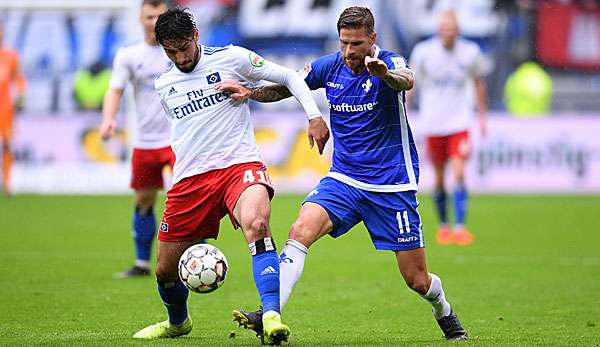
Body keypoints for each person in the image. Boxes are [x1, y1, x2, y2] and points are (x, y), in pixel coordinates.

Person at [219, 6, 468, 342]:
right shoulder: (331, 65)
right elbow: (289, 85)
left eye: (357, 44)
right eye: (344, 44)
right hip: (344, 180)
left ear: (373, 39)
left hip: (391, 185)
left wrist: (382, 75)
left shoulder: (389, 62)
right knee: (299, 230)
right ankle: (271, 313)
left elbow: (406, 79)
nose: (350, 52)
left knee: (417, 280)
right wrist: (252, 94)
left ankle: (444, 310)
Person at [131, 8, 330, 344]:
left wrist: (313, 115)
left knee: (257, 225)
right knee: (165, 270)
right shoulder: (164, 83)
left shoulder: (232, 58)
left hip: (239, 166)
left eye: (183, 47)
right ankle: (177, 322)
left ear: (196, 36)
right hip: (190, 180)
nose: (180, 57)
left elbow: (290, 77)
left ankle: (270, 316)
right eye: (170, 51)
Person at [100, 0, 174, 277]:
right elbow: (115, 90)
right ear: (140, 19)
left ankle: (194, 256)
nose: (155, 21)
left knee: (189, 198)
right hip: (144, 141)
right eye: (149, 16)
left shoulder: (179, 51)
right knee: (144, 199)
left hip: (179, 140)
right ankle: (143, 262)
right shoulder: (129, 55)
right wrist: (108, 119)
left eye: (160, 16)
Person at [407, 10, 488, 246]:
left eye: (452, 28)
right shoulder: (423, 52)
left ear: (458, 30)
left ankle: (461, 227)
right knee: (440, 179)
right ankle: (444, 226)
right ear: (439, 30)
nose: (448, 32)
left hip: (459, 122)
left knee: (460, 173)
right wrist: (406, 111)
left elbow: (478, 83)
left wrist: (482, 117)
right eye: (444, 28)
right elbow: (410, 83)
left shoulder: (470, 52)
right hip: (433, 122)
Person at [0, 24, 26, 197]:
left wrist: (22, 94)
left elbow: (19, 78)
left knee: (7, 144)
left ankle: (7, 184)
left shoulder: (10, 56)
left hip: (5, 108)